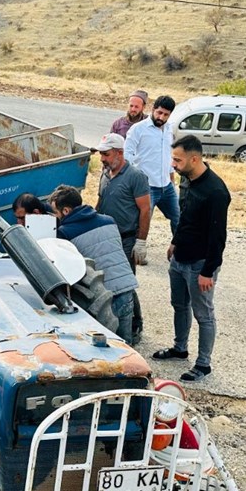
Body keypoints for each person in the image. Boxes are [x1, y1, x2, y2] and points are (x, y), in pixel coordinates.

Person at [153, 136, 230, 382]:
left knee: (204, 314)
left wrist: (208, 271)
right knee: (179, 306)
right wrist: (174, 242)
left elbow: (218, 236)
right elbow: (184, 217)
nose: (173, 164)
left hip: (200, 264)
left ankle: (203, 364)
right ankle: (180, 348)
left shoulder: (216, 191)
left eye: (178, 159)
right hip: (179, 258)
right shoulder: (187, 181)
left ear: (194, 159)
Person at [51, 185, 138, 342]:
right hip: (125, 288)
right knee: (126, 345)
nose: (55, 218)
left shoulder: (65, 232)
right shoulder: (109, 221)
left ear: (66, 211)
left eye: (56, 213)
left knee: (106, 347)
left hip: (102, 296)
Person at [93, 133, 151, 344]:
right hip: (108, 238)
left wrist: (141, 241)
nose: (102, 159)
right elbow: (100, 203)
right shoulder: (105, 174)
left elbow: (145, 210)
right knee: (111, 281)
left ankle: (135, 325)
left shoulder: (135, 176)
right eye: (101, 154)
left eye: (106, 154)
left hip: (126, 238)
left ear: (119, 153)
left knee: (125, 284)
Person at [125, 94, 181, 244]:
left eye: (166, 115)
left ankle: (179, 250)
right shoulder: (138, 129)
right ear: (153, 109)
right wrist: (136, 179)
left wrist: (172, 178)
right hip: (147, 187)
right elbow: (127, 154)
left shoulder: (169, 129)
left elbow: (168, 155)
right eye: (159, 112)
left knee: (179, 217)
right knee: (142, 222)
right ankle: (136, 251)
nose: (161, 117)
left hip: (166, 186)